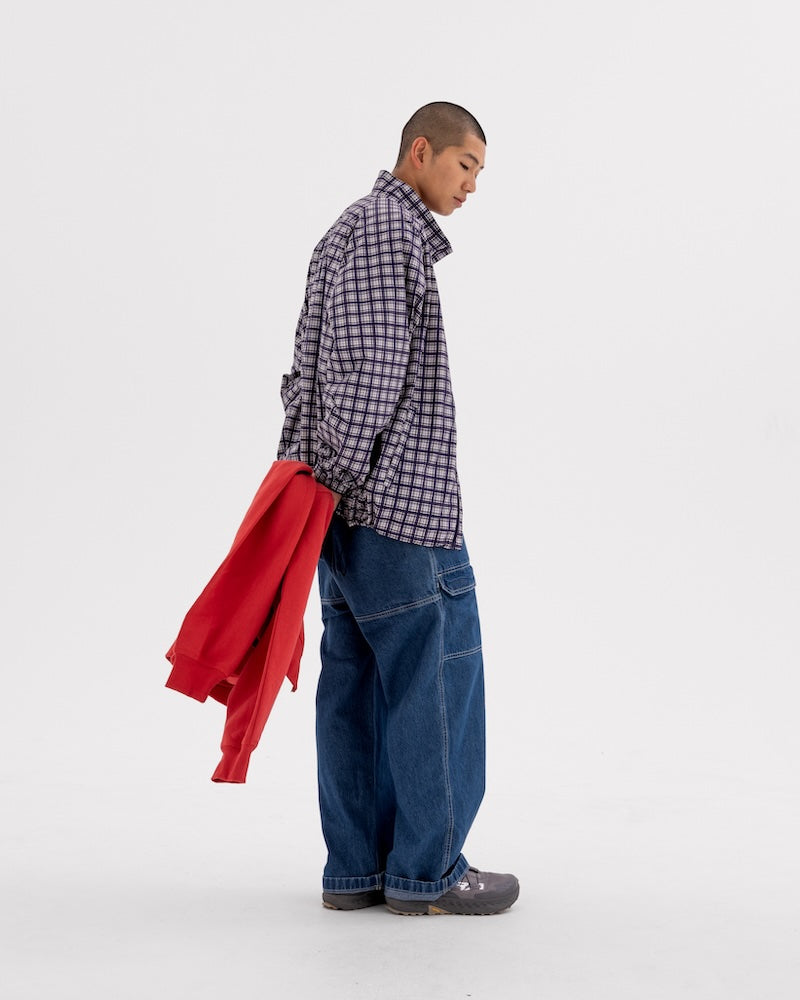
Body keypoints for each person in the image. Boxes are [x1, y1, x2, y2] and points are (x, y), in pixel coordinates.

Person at [277, 101, 519, 916]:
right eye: (465, 166)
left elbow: (311, 369)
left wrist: (321, 486)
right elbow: (369, 378)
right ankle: (430, 872)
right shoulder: (391, 232)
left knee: (351, 681)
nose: (473, 186)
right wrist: (345, 475)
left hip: (340, 511)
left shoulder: (348, 229)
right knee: (433, 680)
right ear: (421, 151)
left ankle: (355, 870)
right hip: (399, 511)